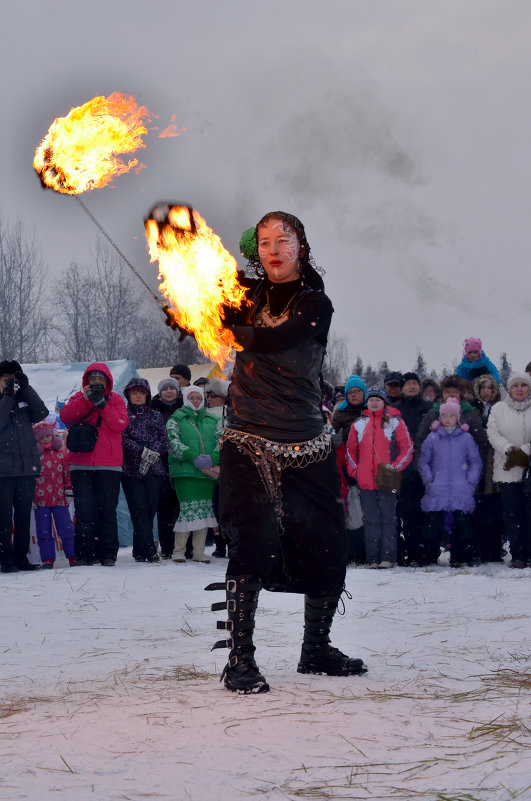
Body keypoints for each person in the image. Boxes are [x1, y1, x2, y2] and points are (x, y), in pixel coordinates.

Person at [208, 211, 367, 694]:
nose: (274, 248)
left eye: (284, 239)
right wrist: (193, 311)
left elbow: (279, 339)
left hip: (307, 440)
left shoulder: (316, 302)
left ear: (301, 247)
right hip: (246, 438)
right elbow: (209, 304)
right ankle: (240, 660)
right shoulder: (243, 293)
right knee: (249, 543)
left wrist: (234, 331)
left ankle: (315, 648)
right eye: (264, 241)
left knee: (327, 543)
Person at [60, 363, 128, 566]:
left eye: (101, 379)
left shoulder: (115, 399)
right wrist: (87, 399)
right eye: (93, 379)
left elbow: (120, 425)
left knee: (107, 511)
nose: (97, 383)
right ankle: (84, 555)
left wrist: (103, 405)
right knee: (84, 511)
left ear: (108, 382)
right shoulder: (78, 397)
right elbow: (66, 417)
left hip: (109, 464)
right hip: (81, 463)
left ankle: (108, 554)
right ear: (87, 381)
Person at [346, 386, 413, 568]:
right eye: (371, 399)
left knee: (388, 518)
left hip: (387, 479)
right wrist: (356, 471)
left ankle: (388, 557)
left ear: (384, 402)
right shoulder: (358, 424)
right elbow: (350, 451)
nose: (374, 402)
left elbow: (406, 449)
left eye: (378, 399)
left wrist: (395, 468)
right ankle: (373, 558)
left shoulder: (395, 422)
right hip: (366, 481)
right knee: (370, 520)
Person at [418, 398, 482, 567]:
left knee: (463, 525)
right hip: (437, 489)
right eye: (444, 416)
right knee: (432, 524)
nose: (448, 419)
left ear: (458, 418)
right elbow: (424, 461)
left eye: (452, 416)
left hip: (462, 490)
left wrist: (471, 481)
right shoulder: (432, 438)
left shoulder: (466, 438)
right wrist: (429, 479)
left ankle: (462, 556)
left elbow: (475, 461)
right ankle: (426, 556)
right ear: (440, 418)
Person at [0, 360, 48, 572]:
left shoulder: (24, 399)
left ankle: (21, 558)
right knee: (2, 518)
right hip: (3, 471)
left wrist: (27, 388)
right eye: (4, 380)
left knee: (23, 517)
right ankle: (6, 560)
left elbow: (42, 414)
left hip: (26, 468)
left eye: (13, 380)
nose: (9, 384)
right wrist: (7, 398)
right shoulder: (6, 400)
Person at [167, 385, 220, 564]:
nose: (195, 401)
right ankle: (178, 551)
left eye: (198, 398)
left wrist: (213, 458)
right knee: (188, 510)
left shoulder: (213, 420)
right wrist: (193, 456)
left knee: (204, 511)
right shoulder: (175, 419)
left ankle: (199, 551)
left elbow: (222, 443)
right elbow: (173, 443)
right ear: (185, 399)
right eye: (192, 398)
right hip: (185, 472)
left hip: (207, 474)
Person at [122, 377, 169, 563]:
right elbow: (122, 438)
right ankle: (150, 549)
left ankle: (140, 549)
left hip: (155, 468)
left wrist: (153, 453)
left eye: (141, 392)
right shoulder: (123, 414)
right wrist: (141, 450)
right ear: (128, 395)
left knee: (149, 510)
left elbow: (164, 439)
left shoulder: (155, 415)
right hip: (131, 469)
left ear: (147, 395)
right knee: (138, 509)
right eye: (135, 392)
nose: (138, 396)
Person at [487, 372, 531, 568]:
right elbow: (492, 433)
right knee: (512, 514)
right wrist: (509, 450)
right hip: (507, 469)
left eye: (524, 385)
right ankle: (518, 554)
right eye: (515, 385)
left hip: (530, 468)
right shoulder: (498, 409)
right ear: (510, 389)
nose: (520, 389)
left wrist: (525, 451)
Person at [393, 372, 432, 566]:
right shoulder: (394, 410)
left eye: (415, 383)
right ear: (402, 388)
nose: (412, 386)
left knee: (425, 513)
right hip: (402, 470)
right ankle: (409, 551)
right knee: (406, 514)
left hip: (426, 468)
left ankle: (426, 552)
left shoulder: (429, 408)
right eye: (408, 383)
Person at [331, 375, 368, 564]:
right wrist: (333, 439)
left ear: (364, 393)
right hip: (346, 463)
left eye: (357, 391)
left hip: (369, 463)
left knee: (368, 511)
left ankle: (365, 551)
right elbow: (330, 433)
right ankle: (351, 552)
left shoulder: (371, 410)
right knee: (352, 511)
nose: (354, 395)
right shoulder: (340, 413)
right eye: (350, 392)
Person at [32, 421, 76, 568]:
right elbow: (31, 478)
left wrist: (68, 491)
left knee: (66, 529)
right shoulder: (35, 457)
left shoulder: (62, 454)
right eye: (41, 438)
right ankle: (48, 559)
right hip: (41, 500)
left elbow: (67, 474)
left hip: (60, 499)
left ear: (53, 435)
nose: (45, 439)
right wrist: (31, 497)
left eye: (47, 436)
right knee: (43, 531)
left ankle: (73, 556)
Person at [470, 374, 504, 562]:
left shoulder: (501, 408)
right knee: (479, 509)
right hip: (477, 460)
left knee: (496, 509)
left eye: (490, 388)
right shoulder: (473, 409)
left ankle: (495, 550)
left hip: (497, 460)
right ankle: (480, 550)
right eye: (482, 388)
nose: (486, 392)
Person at [150, 378, 182, 558]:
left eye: (172, 388)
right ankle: (168, 547)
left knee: (182, 507)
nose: (169, 391)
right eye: (165, 389)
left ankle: (185, 546)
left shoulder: (186, 408)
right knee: (164, 508)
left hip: (182, 462)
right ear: (160, 392)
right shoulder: (153, 409)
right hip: (160, 463)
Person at [205, 378, 230, 558]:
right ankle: (219, 543)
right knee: (214, 507)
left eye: (214, 396)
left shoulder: (230, 414)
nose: (210, 399)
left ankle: (232, 542)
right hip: (210, 466)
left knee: (228, 507)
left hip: (228, 466)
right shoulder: (204, 415)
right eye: (208, 396)